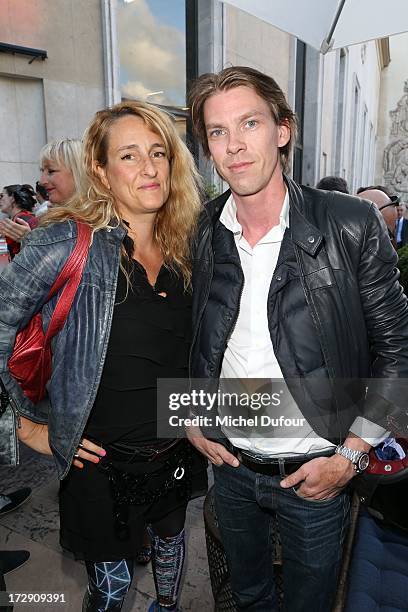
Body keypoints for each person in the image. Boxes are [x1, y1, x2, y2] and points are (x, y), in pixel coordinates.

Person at [187, 66, 408, 611]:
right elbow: (191, 338)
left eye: (249, 123)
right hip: (231, 467)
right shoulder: (200, 229)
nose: (234, 146)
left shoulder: (350, 222)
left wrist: (352, 457)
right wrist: (191, 417)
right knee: (247, 594)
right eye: (217, 131)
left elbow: (398, 351)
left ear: (283, 129)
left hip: (318, 473)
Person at [0, 100, 206, 612]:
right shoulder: (65, 243)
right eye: (130, 156)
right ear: (100, 169)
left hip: (174, 449)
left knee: (169, 564)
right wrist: (26, 427)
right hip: (99, 461)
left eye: (158, 152)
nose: (150, 167)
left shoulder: (190, 245)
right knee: (110, 596)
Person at [0, 185, 38, 259]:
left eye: (2, 196)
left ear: (13, 198)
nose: (0, 200)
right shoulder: (18, 218)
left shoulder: (23, 220)